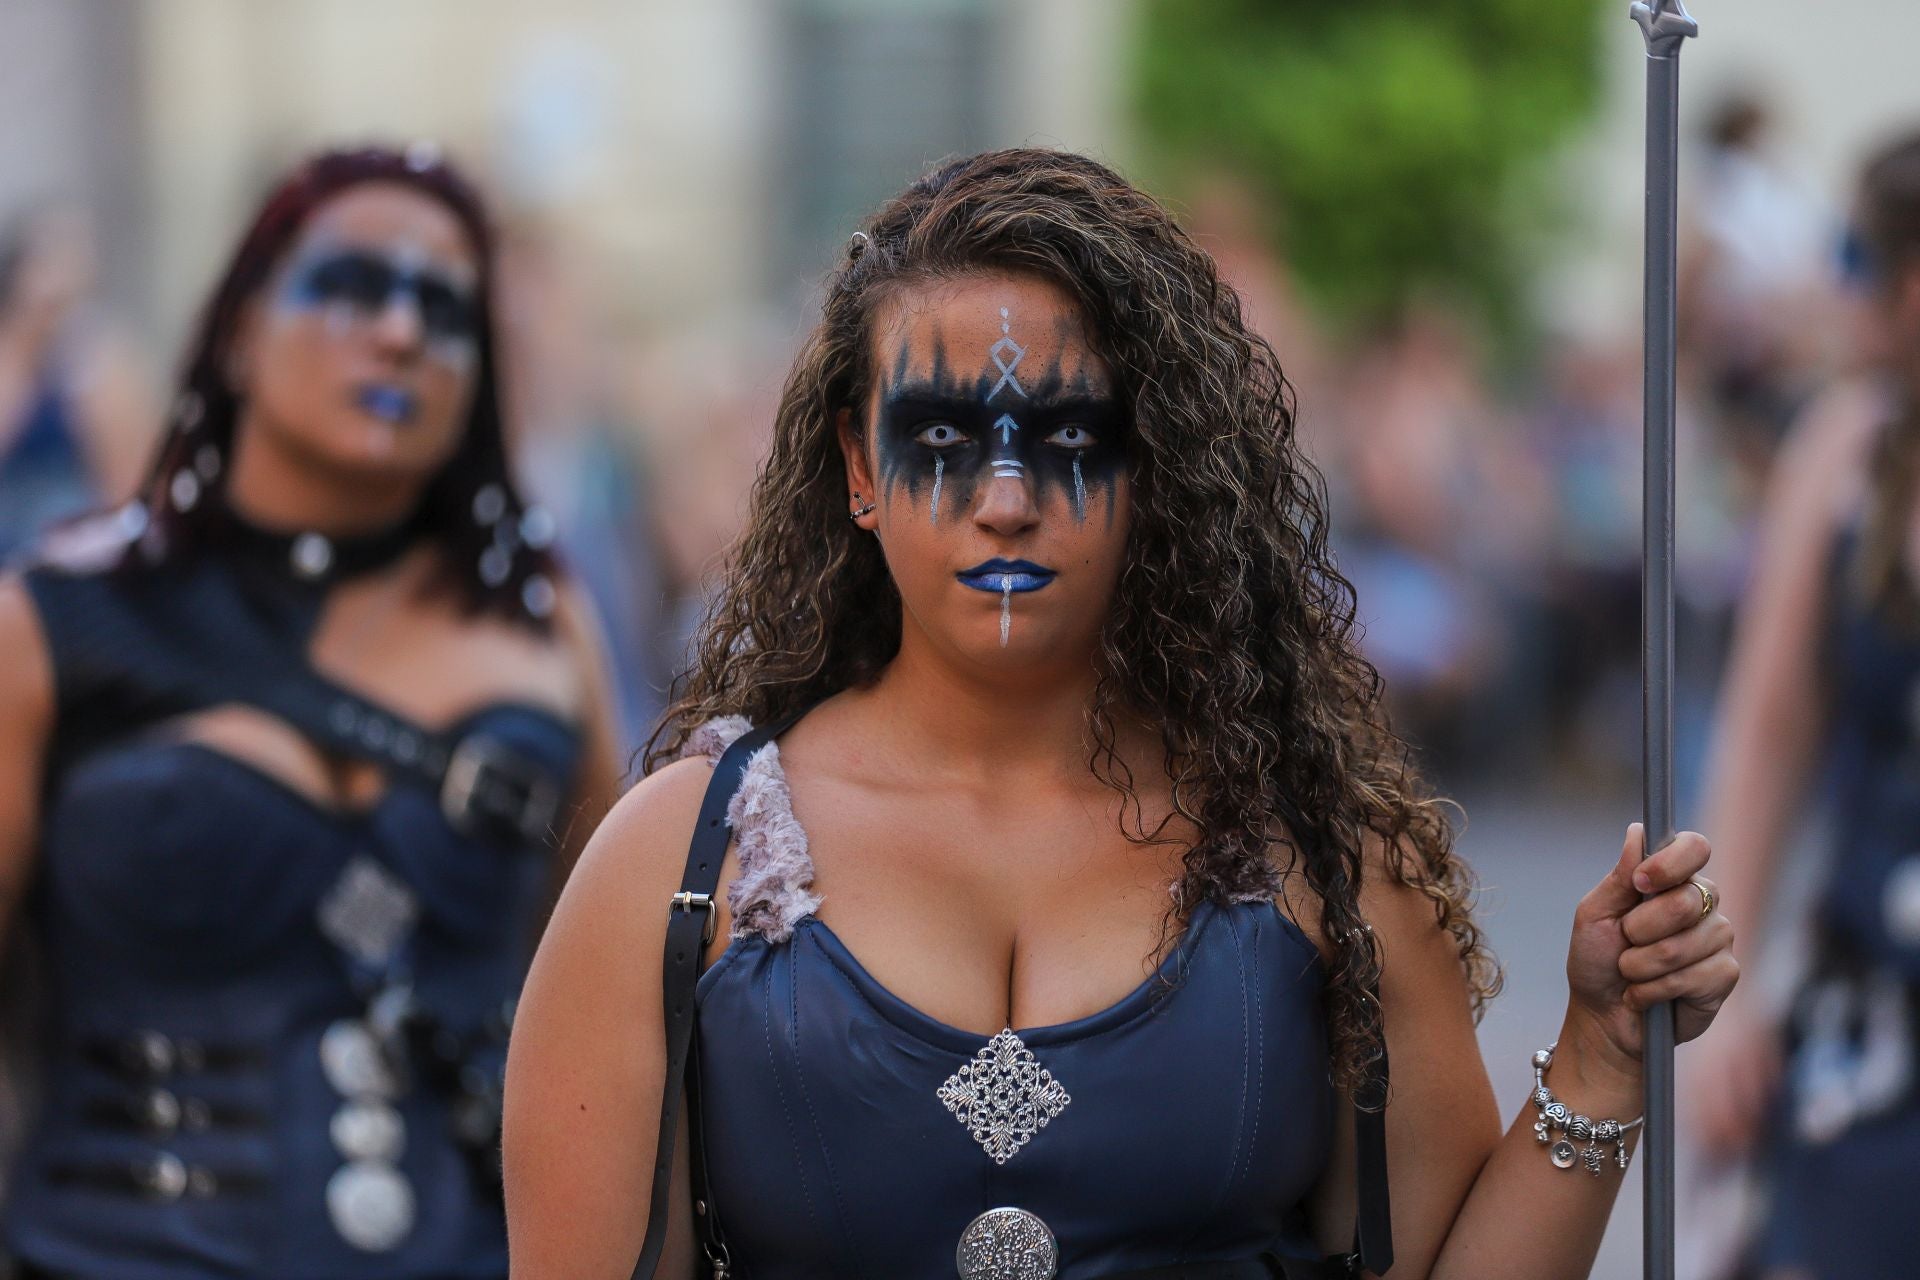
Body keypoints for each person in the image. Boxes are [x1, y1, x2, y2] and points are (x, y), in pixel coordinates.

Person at [504, 149, 1738, 1280]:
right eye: (943, 434)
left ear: (1157, 462)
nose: (1005, 497)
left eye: (1069, 434)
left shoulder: (1321, 854)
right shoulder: (679, 869)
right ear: (860, 466)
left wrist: (1602, 1057)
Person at [0, 145, 620, 1277]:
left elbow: (620, 1007)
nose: (401, 333)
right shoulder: (53, 619)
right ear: (240, 330)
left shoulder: (544, 620)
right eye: (350, 285)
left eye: (446, 310)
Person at [1687, 132, 1920, 1280]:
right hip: (1869, 1007)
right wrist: (1723, 990)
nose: (1839, 286)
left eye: (1859, 257)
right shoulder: (1847, 447)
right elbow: (1766, 731)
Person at [0, 203, 154, 561]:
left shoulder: (104, 361)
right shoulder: (12, 354)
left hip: (71, 554)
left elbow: (130, 488)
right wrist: (25, 346)